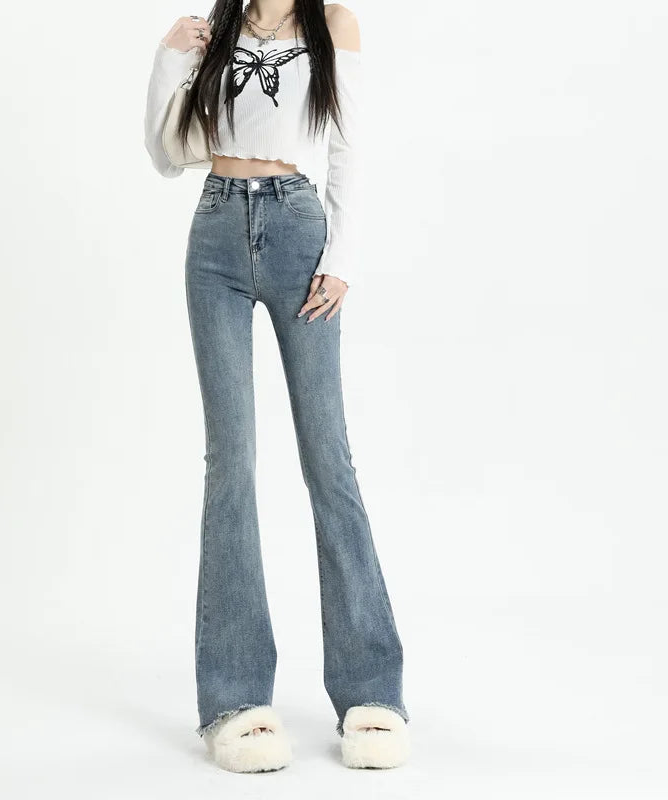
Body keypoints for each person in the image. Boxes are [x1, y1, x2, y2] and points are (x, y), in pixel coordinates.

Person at [143, 0, 410, 772]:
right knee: (230, 462)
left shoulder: (334, 24)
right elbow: (166, 155)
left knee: (329, 458)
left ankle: (371, 691)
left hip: (299, 232)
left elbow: (350, 147)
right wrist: (168, 57)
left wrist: (343, 259)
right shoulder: (213, 30)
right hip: (215, 235)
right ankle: (235, 699)